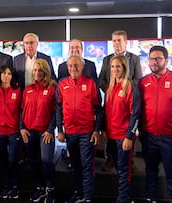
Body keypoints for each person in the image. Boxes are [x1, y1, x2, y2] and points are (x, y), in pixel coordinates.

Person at [138, 46, 172, 203]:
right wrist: (140, 131)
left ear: (166, 61)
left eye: (158, 58)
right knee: (150, 172)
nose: (154, 62)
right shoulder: (143, 82)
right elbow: (138, 109)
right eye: (151, 59)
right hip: (148, 137)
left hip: (170, 137)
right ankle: (151, 199)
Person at [57, 55, 102, 203]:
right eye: (70, 66)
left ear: (83, 67)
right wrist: (60, 130)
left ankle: (88, 197)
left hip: (86, 132)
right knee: (75, 165)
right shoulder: (62, 84)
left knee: (87, 165)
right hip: (70, 132)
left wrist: (97, 130)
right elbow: (58, 108)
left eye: (76, 65)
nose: (73, 68)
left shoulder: (91, 84)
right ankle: (78, 193)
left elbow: (98, 109)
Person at [99, 30, 142, 171]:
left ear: (125, 42)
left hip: (127, 97)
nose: (116, 43)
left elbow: (138, 79)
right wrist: (112, 90)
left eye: (119, 40)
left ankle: (130, 160)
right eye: (114, 41)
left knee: (126, 136)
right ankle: (110, 158)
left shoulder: (134, 58)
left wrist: (125, 89)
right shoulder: (107, 59)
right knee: (110, 133)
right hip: (112, 97)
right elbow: (101, 80)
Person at [104, 55, 141, 203]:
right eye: (112, 67)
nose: (115, 69)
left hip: (123, 137)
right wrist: (104, 131)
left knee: (124, 169)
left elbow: (135, 114)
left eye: (118, 66)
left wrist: (129, 136)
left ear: (124, 68)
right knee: (118, 169)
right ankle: (124, 195)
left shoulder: (131, 87)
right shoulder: (109, 88)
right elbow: (106, 111)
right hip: (111, 136)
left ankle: (124, 198)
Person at [20, 58, 57, 203]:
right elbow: (21, 110)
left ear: (45, 71)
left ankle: (50, 188)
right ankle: (39, 187)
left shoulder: (52, 89)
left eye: (40, 70)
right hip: (29, 131)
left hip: (45, 132)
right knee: (34, 161)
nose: (37, 73)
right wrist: (21, 128)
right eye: (34, 70)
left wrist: (50, 130)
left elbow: (56, 112)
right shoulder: (27, 89)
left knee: (46, 160)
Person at [0, 65, 21, 199]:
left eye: (9, 74)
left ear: (12, 76)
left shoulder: (18, 91)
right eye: (3, 73)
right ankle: (6, 185)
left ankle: (15, 187)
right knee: (2, 160)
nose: (6, 76)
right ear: (0, 75)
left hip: (13, 131)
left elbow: (21, 111)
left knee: (13, 160)